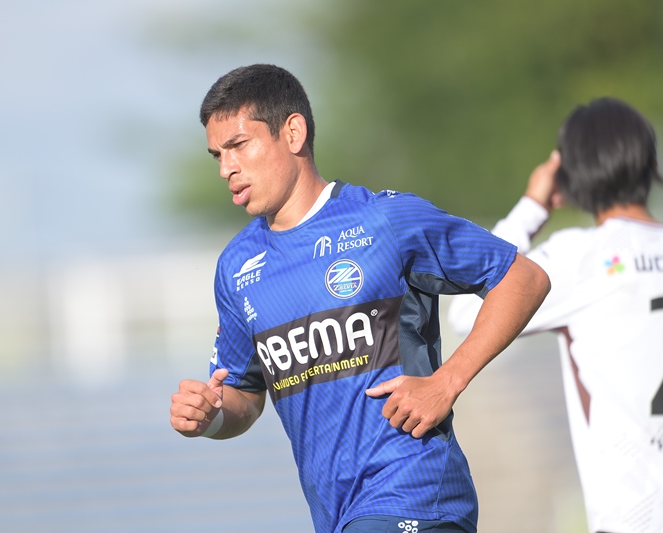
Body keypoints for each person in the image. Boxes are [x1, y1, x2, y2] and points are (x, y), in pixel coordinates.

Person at [169, 64, 550, 533]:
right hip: (338, 515)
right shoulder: (236, 267)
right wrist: (208, 416)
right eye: (217, 155)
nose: (226, 168)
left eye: (239, 145)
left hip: (414, 492)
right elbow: (244, 397)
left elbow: (523, 278)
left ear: (293, 132)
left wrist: (447, 381)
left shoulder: (385, 219)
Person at [447, 97, 663, 533]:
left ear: (571, 176)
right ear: (649, 164)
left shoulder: (581, 257)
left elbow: (467, 309)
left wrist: (532, 208)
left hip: (633, 518)